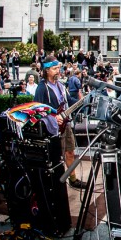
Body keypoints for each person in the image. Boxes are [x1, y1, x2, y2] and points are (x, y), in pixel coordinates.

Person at [33, 55, 85, 189]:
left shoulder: (61, 85)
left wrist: (83, 101)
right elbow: (37, 108)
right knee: (57, 156)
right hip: (52, 128)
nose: (58, 71)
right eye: (55, 69)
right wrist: (53, 117)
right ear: (47, 70)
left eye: (58, 68)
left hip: (66, 124)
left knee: (70, 151)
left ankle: (73, 179)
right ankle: (57, 183)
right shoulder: (42, 88)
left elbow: (69, 102)